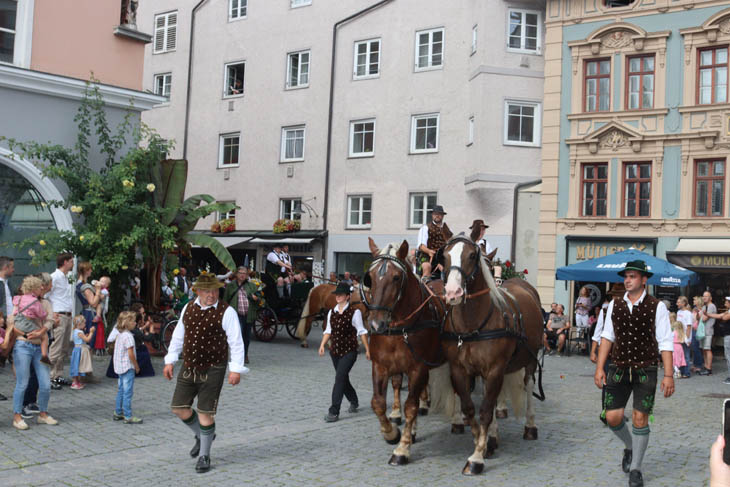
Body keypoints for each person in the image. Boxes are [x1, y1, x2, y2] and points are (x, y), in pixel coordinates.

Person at [594, 260, 674, 487]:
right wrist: (600, 367)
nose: (627, 280)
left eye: (632, 276)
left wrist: (668, 375)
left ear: (644, 280)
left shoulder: (657, 306)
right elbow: (607, 337)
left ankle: (636, 469)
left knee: (640, 418)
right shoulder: (614, 305)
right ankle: (629, 446)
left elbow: (665, 342)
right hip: (618, 369)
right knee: (611, 417)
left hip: (645, 370)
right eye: (626, 276)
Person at [163, 271, 248, 473]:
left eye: (215, 291)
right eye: (207, 291)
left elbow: (236, 342)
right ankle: (202, 435)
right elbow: (178, 335)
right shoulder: (188, 308)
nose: (211, 295)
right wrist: (170, 360)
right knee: (178, 407)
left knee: (205, 413)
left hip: (214, 368)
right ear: (198, 291)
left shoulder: (227, 312)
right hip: (189, 366)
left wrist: (235, 369)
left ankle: (204, 456)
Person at [11, 278, 59, 429]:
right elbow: (12, 324)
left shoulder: (45, 303)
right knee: (22, 382)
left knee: (45, 384)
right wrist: (26, 335)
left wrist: (41, 331)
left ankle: (43, 414)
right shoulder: (19, 301)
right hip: (23, 346)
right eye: (40, 287)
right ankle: (17, 417)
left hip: (39, 347)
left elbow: (50, 321)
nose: (42, 289)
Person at [318, 282, 370, 423]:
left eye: (341, 294)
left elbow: (362, 331)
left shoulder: (355, 313)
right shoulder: (331, 312)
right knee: (343, 378)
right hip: (334, 351)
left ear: (347, 296)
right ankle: (354, 400)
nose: (338, 297)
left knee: (339, 378)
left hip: (350, 351)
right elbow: (328, 330)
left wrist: (368, 350)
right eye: (337, 294)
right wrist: (322, 344)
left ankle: (333, 412)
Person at [11, 276, 52, 365]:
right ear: (34, 289)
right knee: (44, 336)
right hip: (27, 324)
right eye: (39, 288)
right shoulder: (34, 301)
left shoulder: (19, 298)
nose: (41, 289)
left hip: (18, 322)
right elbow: (41, 315)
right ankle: (44, 356)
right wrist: (46, 313)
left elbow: (14, 313)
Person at [223, 266, 258, 365]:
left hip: (248, 314)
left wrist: (257, 299)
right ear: (236, 274)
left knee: (246, 337)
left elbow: (261, 300)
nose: (242, 275)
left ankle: (245, 354)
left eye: (244, 273)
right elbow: (225, 301)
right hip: (236, 315)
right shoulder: (230, 286)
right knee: (238, 336)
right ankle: (237, 356)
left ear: (247, 275)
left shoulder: (252, 286)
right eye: (240, 273)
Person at [113, 311, 142, 424]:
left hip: (119, 367)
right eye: (133, 321)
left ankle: (118, 412)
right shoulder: (129, 337)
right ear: (127, 323)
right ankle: (128, 415)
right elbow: (131, 354)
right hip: (127, 367)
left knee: (121, 390)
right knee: (127, 392)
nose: (135, 323)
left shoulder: (119, 335)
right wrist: (136, 366)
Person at [75, 262, 104, 364]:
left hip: (85, 312)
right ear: (86, 271)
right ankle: (86, 371)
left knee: (86, 342)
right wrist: (98, 290)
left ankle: (86, 371)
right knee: (89, 342)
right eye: (90, 269)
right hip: (90, 313)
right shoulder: (85, 286)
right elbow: (93, 303)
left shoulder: (79, 284)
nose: (91, 271)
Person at [417, 204, 452, 279]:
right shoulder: (425, 228)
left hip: (443, 257)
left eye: (439, 214)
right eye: (435, 214)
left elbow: (451, 245)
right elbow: (421, 246)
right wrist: (429, 251)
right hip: (427, 255)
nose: (437, 216)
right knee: (427, 267)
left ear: (443, 216)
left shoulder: (448, 230)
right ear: (432, 215)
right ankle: (423, 287)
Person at [702, 297, 730, 385]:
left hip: (729, 336)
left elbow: (724, 318)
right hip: (727, 336)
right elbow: (719, 316)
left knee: (729, 357)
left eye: (726, 302)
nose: (725, 303)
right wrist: (708, 314)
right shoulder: (728, 311)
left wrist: (724, 314)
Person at [69, 315, 95, 390]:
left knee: (77, 365)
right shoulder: (79, 332)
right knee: (77, 365)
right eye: (84, 323)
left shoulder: (76, 331)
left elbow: (82, 339)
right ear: (79, 324)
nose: (85, 324)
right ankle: (74, 382)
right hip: (80, 350)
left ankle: (77, 381)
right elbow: (87, 340)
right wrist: (91, 332)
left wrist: (85, 335)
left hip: (77, 349)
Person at [699, 291, 718, 376]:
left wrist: (700, 315)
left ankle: (709, 368)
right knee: (704, 349)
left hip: (708, 331)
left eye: (706, 296)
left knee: (707, 349)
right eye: (703, 296)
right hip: (702, 331)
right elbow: (697, 317)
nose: (704, 298)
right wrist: (699, 314)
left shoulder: (711, 306)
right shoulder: (704, 306)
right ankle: (706, 366)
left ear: (710, 298)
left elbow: (704, 319)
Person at [91, 276, 111, 356]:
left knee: (98, 305)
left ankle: (98, 316)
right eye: (100, 280)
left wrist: (97, 292)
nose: (100, 282)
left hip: (102, 306)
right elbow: (93, 281)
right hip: (98, 303)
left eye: (102, 282)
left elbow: (101, 298)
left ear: (106, 285)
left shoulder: (105, 291)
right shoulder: (99, 288)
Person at [676, 296, 693, 378]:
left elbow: (689, 327)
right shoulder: (678, 312)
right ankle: (681, 371)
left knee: (686, 355)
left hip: (685, 337)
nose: (677, 303)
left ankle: (686, 372)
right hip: (679, 336)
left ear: (684, 303)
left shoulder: (688, 313)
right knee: (680, 355)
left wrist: (687, 338)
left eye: (679, 302)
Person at [670, 313, 686, 379]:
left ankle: (676, 371)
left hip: (674, 346)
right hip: (680, 347)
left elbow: (670, 338)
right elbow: (686, 340)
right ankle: (677, 370)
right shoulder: (682, 333)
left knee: (673, 359)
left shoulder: (673, 332)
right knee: (679, 359)